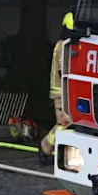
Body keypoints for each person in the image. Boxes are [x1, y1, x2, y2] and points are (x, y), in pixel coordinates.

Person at [40, 12, 75, 165]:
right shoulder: (63, 46)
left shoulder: (65, 45)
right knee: (64, 123)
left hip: (64, 92)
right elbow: (64, 71)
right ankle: (45, 146)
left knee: (68, 123)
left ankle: (58, 153)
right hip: (61, 93)